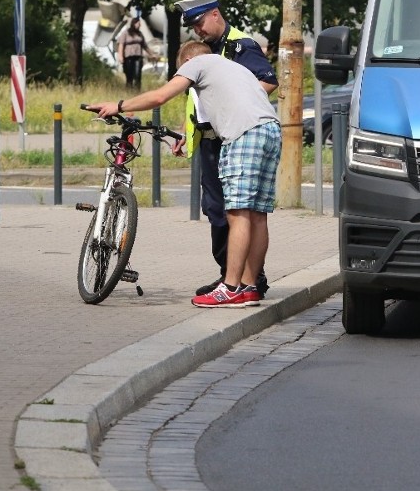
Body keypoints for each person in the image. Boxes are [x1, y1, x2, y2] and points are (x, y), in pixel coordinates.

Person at [86, 40, 282, 308]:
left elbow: (159, 96)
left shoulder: (198, 63)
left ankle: (231, 287)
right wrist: (184, 136)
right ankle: (249, 287)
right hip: (270, 131)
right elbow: (214, 112)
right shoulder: (234, 69)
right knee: (258, 214)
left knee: (237, 213)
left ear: (187, 64)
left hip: (244, 135)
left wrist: (118, 105)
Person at [173, 0, 279, 298]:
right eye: (192, 27)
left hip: (233, 138)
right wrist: (185, 132)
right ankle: (228, 276)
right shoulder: (206, 51)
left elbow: (268, 80)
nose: (197, 31)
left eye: (200, 23)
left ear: (216, 14)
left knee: (238, 211)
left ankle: (248, 279)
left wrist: (236, 110)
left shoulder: (238, 46)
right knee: (217, 212)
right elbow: (200, 101)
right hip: (210, 141)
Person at [117, 18, 157, 90]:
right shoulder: (126, 33)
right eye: (138, 24)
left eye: (139, 24)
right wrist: (120, 56)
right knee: (129, 75)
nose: (139, 25)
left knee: (138, 74)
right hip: (128, 57)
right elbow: (121, 45)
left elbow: (145, 46)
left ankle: (137, 90)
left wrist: (152, 54)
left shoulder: (140, 34)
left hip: (138, 57)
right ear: (134, 24)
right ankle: (129, 89)